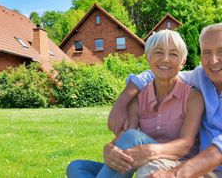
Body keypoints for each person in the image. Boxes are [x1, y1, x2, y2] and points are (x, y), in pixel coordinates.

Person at [67, 30, 204, 178]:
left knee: (134, 138)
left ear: (182, 62)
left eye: (173, 54)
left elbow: (185, 145)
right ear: (148, 58)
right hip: (142, 160)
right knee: (77, 167)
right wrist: (109, 149)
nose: (165, 59)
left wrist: (149, 151)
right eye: (158, 52)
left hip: (179, 165)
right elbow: (125, 137)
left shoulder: (193, 97)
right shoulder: (139, 98)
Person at [108, 23, 222, 177]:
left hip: (206, 169)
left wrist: (174, 174)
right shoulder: (201, 77)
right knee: (76, 168)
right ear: (201, 57)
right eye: (207, 52)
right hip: (202, 169)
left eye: (221, 51)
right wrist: (120, 104)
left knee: (150, 165)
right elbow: (159, 72)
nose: (214, 60)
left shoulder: (194, 95)